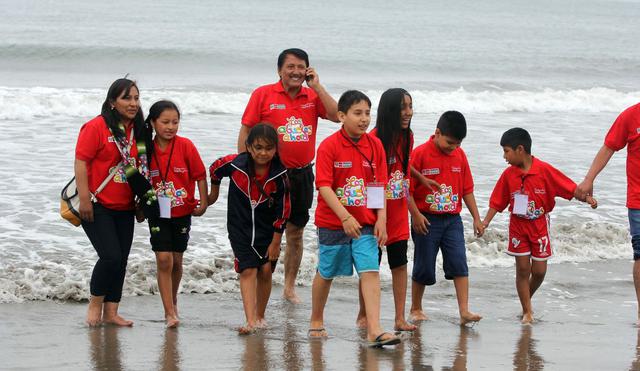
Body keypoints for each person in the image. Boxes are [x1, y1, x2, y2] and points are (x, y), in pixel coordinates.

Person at [238, 48, 339, 303]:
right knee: (266, 232)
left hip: (302, 175)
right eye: (290, 66)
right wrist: (245, 169)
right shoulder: (263, 94)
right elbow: (246, 131)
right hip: (269, 175)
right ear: (279, 70)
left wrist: (317, 86)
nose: (295, 72)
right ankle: (262, 284)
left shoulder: (312, 95)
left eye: (301, 67)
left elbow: (338, 115)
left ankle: (289, 286)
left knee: (295, 232)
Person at [308, 90, 400, 347]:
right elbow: (324, 187)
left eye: (368, 113)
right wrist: (345, 217)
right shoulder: (329, 146)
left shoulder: (375, 145)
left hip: (367, 223)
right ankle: (316, 319)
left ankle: (375, 328)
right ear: (341, 116)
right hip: (333, 222)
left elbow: (378, 185)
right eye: (357, 113)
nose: (364, 119)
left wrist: (381, 218)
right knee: (326, 271)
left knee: (370, 271)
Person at [483, 128, 597, 323]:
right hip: (518, 226)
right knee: (522, 270)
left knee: (539, 271)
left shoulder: (544, 170)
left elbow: (567, 187)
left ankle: (525, 297)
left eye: (507, 151)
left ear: (520, 149)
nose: (504, 156)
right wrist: (485, 222)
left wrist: (586, 198)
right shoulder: (508, 175)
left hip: (539, 226)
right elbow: (497, 201)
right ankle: (527, 311)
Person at [75, 78, 153, 326]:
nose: (133, 103)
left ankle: (111, 312)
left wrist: (142, 202)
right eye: (126, 98)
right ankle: (95, 304)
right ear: (112, 102)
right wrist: (85, 199)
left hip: (126, 206)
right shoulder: (96, 127)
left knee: (122, 260)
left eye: (136, 98)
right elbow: (81, 163)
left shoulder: (140, 131)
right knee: (110, 257)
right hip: (98, 203)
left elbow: (143, 169)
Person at [209, 124, 290, 334]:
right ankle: (250, 320)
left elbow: (284, 211)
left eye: (269, 148)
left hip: (267, 230)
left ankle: (260, 315)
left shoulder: (280, 175)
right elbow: (215, 169)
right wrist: (213, 195)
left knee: (265, 271)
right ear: (249, 147)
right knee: (248, 269)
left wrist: (276, 241)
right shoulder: (235, 164)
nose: (263, 153)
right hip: (239, 227)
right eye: (258, 147)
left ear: (276, 149)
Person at [408, 111, 484, 325]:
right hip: (426, 219)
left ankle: (464, 310)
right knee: (423, 265)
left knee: (459, 262)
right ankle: (416, 307)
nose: (453, 148)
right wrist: (415, 215)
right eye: (450, 142)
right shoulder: (420, 154)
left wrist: (476, 218)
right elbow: (407, 189)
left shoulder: (460, 155)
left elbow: (467, 190)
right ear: (437, 133)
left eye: (458, 144)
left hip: (453, 220)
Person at [356, 88, 418, 332]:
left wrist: (414, 205)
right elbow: (370, 181)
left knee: (400, 263)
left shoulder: (408, 137)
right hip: (375, 213)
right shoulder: (373, 139)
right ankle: (363, 315)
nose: (408, 112)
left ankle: (400, 318)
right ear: (390, 110)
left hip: (399, 211)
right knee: (371, 266)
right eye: (403, 107)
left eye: (410, 107)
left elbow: (404, 172)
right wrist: (377, 217)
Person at [145, 100, 208, 328]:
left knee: (177, 260)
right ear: (153, 123)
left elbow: (200, 175)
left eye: (175, 122)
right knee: (164, 260)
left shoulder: (186, 146)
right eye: (165, 122)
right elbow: (137, 178)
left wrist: (204, 203)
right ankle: (169, 311)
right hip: (156, 211)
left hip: (182, 211)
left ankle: (173, 300)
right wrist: (138, 206)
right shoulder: (146, 149)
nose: (170, 127)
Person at [575, 103, 640, 323]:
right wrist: (589, 178)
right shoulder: (631, 116)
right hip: (638, 201)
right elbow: (609, 147)